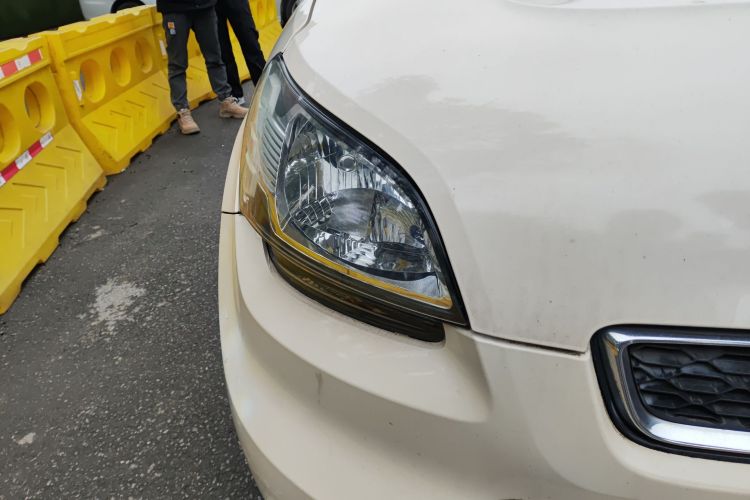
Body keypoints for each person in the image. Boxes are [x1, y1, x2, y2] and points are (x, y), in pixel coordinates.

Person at [156, 0, 248, 135]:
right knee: (177, 64)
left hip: (205, 7)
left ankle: (226, 101)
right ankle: (182, 111)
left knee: (215, 58)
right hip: (175, 9)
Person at [215, 0, 267, 104]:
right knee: (223, 51)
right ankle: (235, 95)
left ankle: (265, 89)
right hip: (211, 4)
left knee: (250, 41)